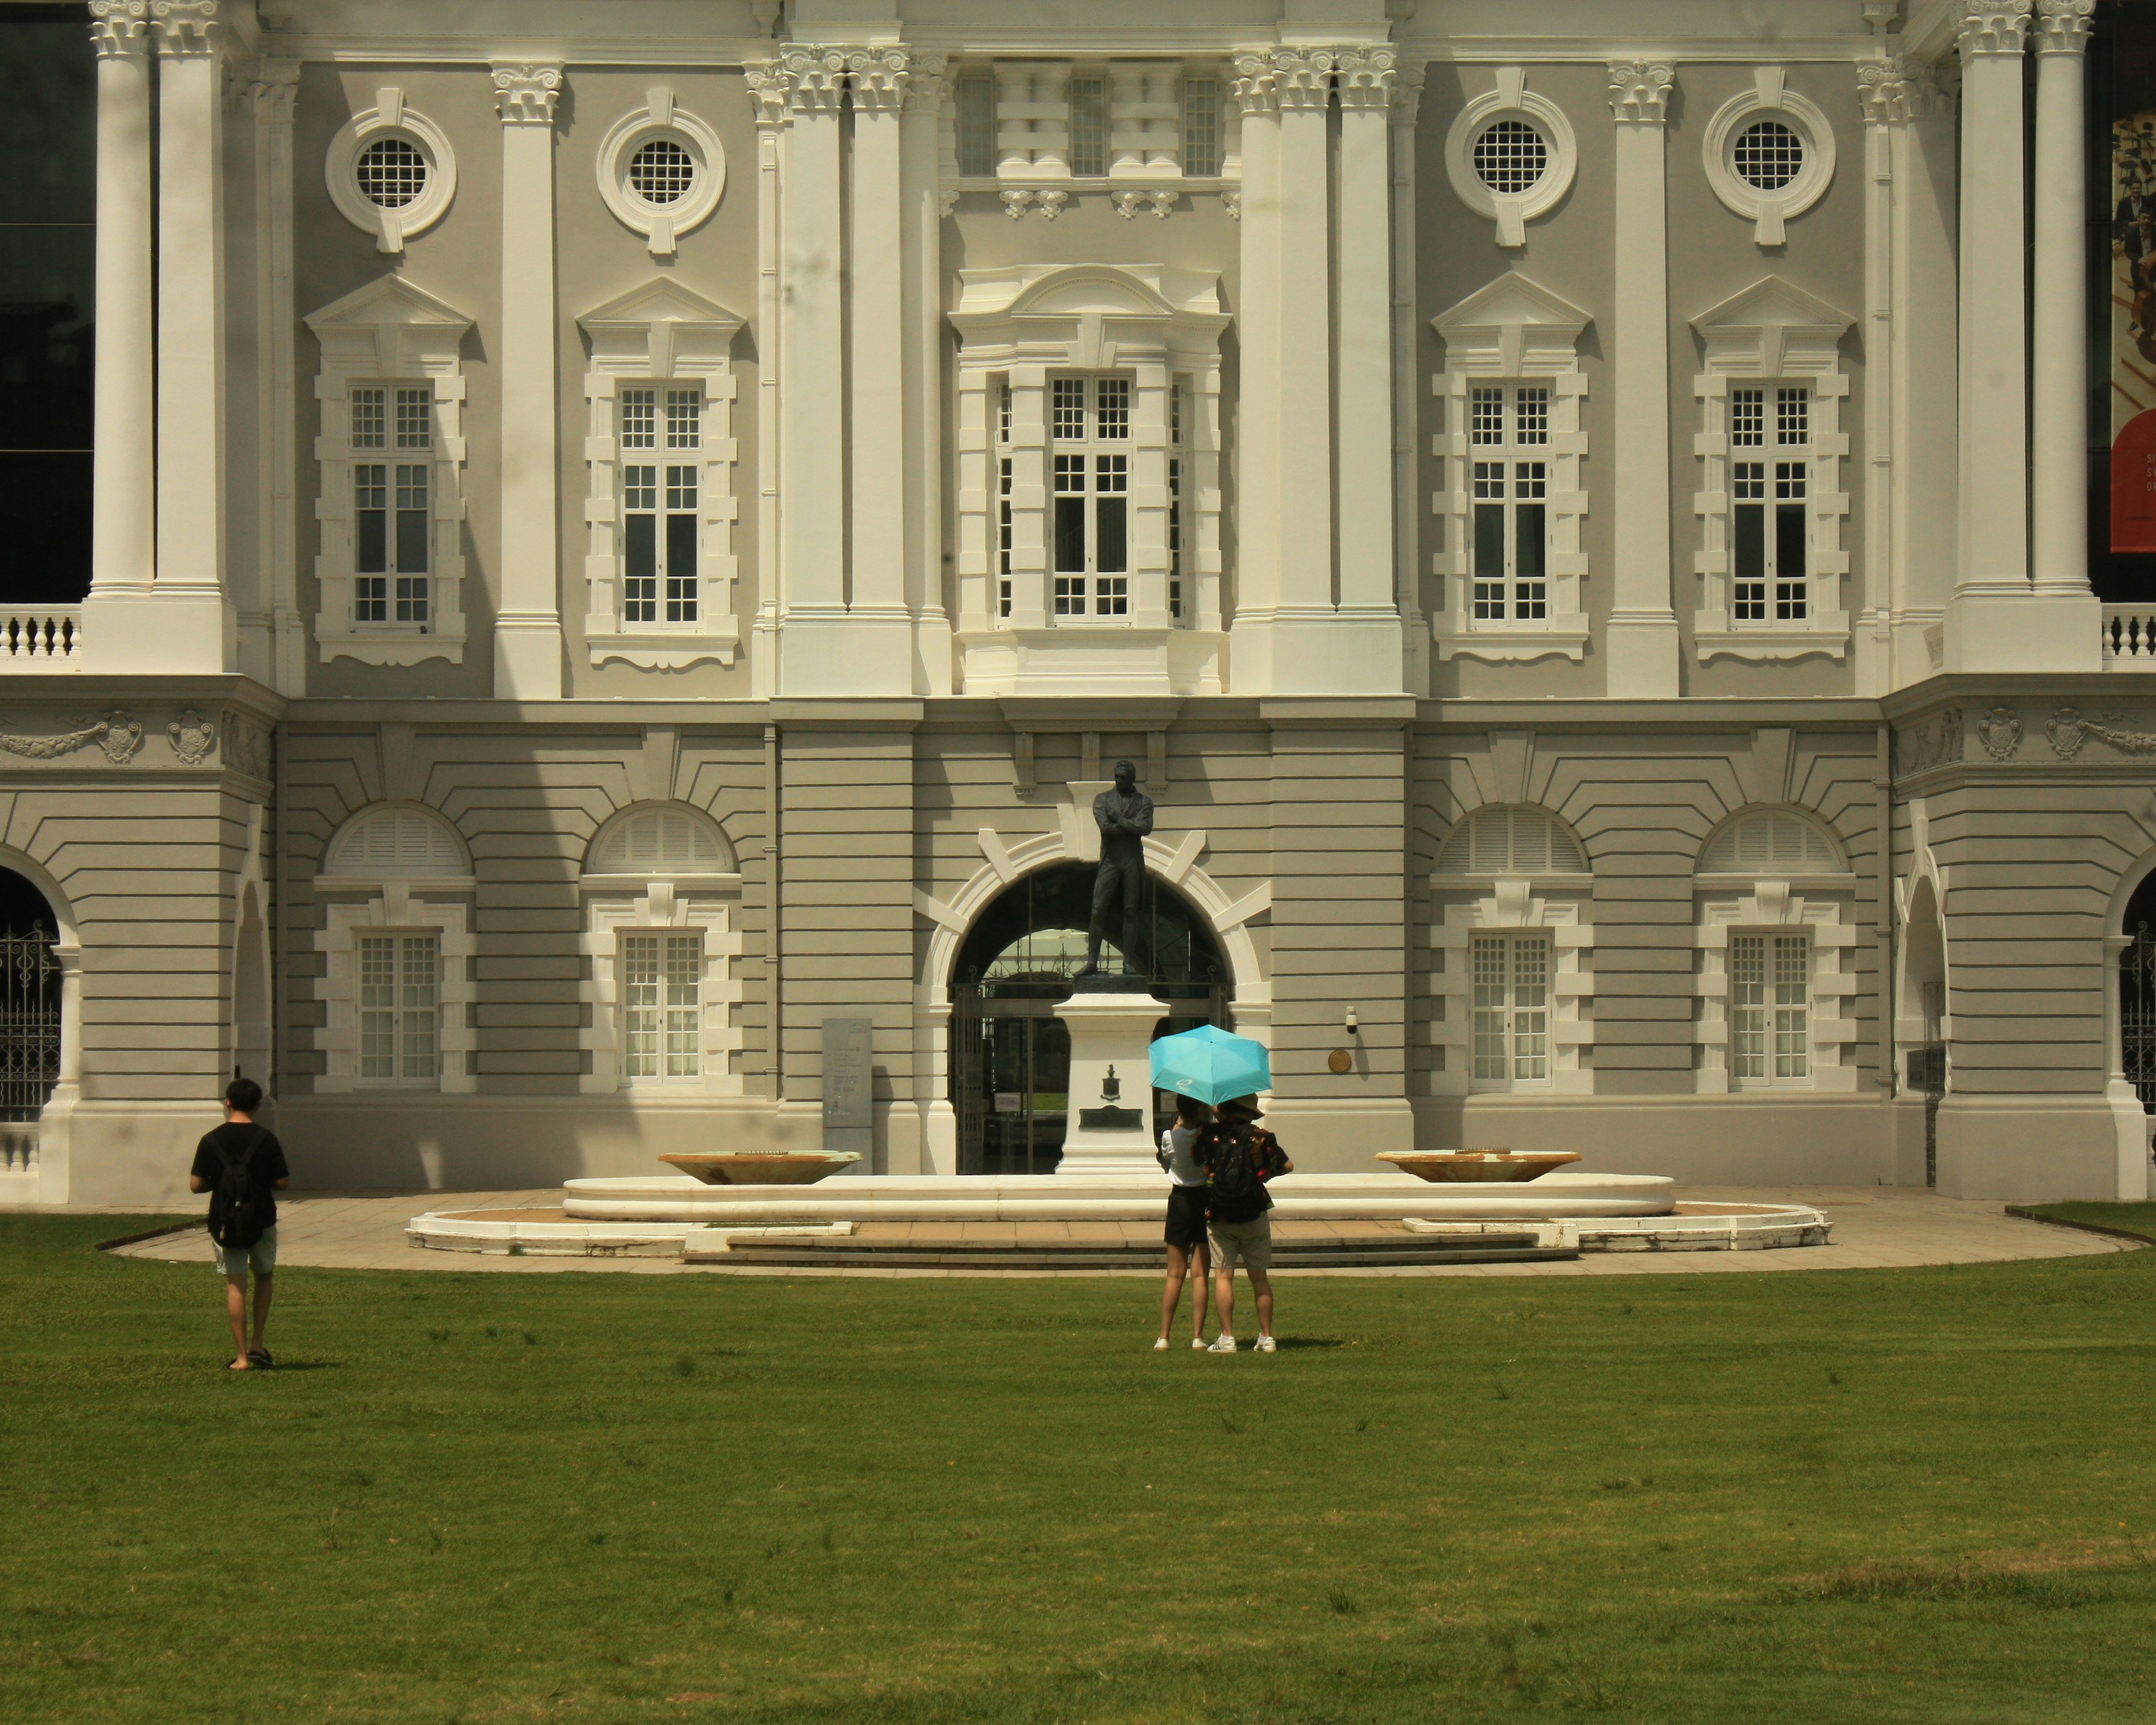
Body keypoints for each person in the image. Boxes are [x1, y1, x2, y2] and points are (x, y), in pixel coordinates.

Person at [188, 1078, 290, 1372]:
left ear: (228, 1102)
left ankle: (242, 1356)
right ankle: (258, 1343)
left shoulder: (211, 1140)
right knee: (264, 1276)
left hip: (225, 1221)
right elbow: (282, 1182)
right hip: (261, 1217)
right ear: (257, 1106)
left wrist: (221, 1181)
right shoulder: (266, 1139)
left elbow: (196, 1185)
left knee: (235, 1284)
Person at [1194, 1095, 1292, 1354]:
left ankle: (1227, 1338)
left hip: (1220, 1212)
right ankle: (1267, 1337)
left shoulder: (1210, 1135)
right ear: (1250, 1112)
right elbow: (1288, 1166)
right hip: (1253, 1210)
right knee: (1259, 1277)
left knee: (1223, 1275)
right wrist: (1263, 1175)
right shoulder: (1261, 1137)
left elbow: (1198, 1161)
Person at [1078, 758, 1154, 977]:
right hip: (1110, 860)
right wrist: (1129, 826)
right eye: (1117, 776)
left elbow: (1145, 828)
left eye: (1124, 777)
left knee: (1131, 911)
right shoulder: (1102, 799)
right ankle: (1092, 961)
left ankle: (1128, 962)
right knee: (1097, 909)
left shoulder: (1144, 802)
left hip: (1132, 861)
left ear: (1133, 778)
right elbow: (1105, 827)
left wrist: (1119, 819)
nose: (1119, 780)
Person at [1154, 1093, 1214, 1350]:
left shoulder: (1170, 1136)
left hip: (1180, 1200)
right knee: (1200, 1274)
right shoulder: (1207, 1136)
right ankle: (1198, 1337)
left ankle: (1164, 1337)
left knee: (1174, 1274)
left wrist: (1179, 1122)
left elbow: (1167, 1156)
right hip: (1204, 1198)